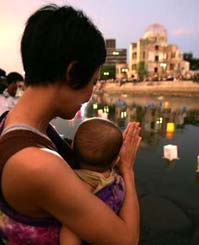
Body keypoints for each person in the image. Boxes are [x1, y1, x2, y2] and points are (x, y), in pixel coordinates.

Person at [0, 4, 141, 245]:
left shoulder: (15, 121)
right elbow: (126, 239)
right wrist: (126, 168)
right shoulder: (37, 166)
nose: (90, 94)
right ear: (73, 72)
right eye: (93, 82)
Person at [60, 117, 126, 244]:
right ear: (116, 160)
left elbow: (69, 230)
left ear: (72, 147)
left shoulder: (81, 188)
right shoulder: (116, 180)